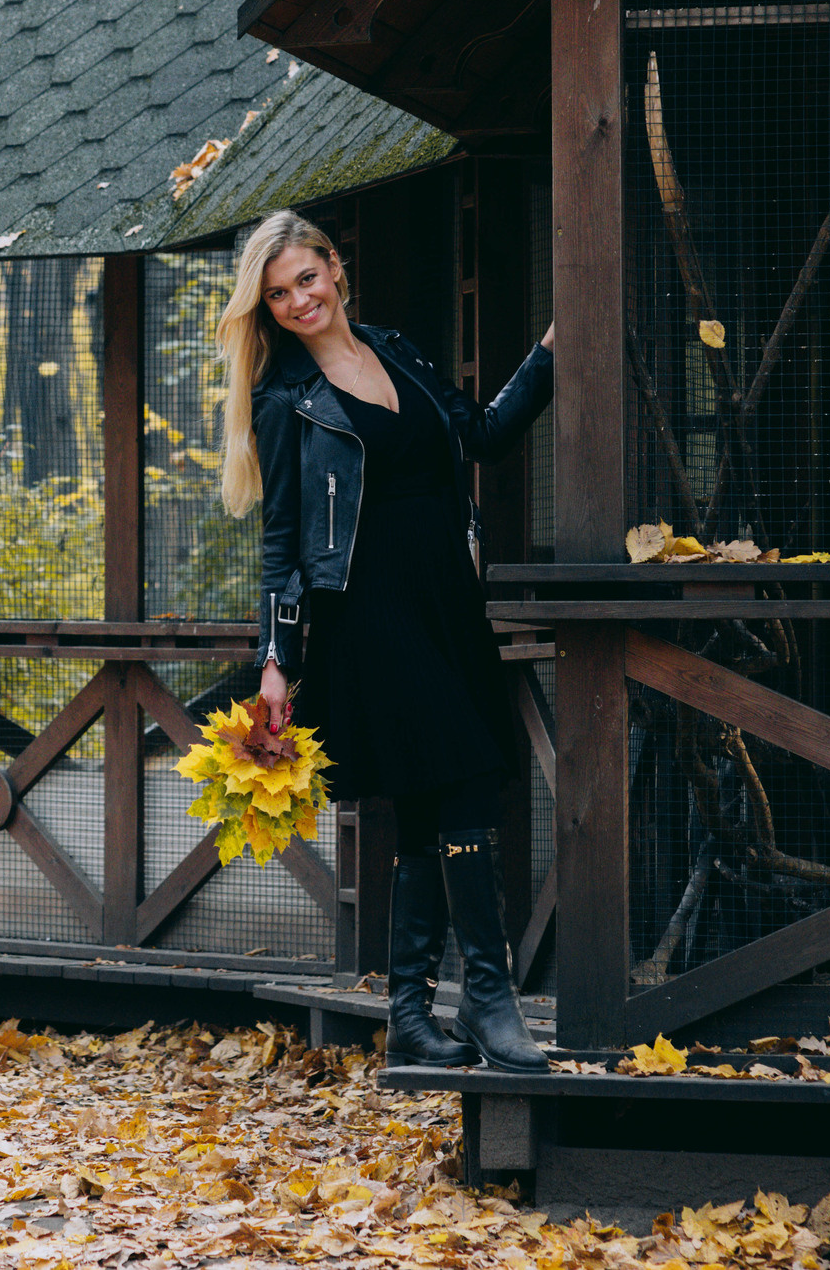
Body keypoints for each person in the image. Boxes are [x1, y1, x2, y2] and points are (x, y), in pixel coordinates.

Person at [218, 209, 556, 1074]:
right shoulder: (285, 397)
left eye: (308, 277)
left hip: (445, 595)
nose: (300, 299)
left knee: (426, 810)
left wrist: (548, 356)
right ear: (266, 308)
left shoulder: (396, 348)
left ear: (335, 268)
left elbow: (480, 432)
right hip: (365, 612)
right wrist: (275, 658)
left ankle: (411, 1014)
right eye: (279, 292)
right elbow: (283, 540)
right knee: (467, 778)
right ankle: (488, 996)